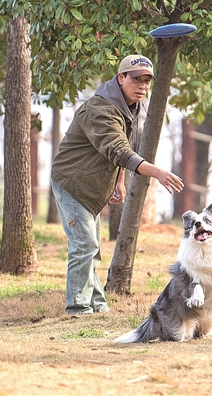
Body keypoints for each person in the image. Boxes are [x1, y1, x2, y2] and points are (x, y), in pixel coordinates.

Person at [50, 54, 184, 315]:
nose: (143, 86)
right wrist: (157, 172)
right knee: (85, 245)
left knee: (91, 246)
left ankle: (97, 305)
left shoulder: (128, 108)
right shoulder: (100, 109)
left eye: (147, 81)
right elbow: (119, 150)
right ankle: (77, 308)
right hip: (73, 183)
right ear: (121, 78)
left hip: (92, 185)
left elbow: (118, 150)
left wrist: (118, 182)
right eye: (137, 80)